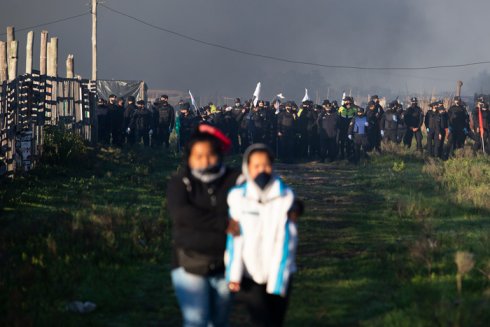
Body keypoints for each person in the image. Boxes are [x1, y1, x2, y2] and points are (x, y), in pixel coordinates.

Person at [167, 124, 240, 327]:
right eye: (198, 156)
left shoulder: (235, 179)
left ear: (219, 154)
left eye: (210, 155)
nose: (204, 161)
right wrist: (224, 223)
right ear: (189, 158)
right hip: (189, 262)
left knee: (219, 322)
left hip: (227, 264)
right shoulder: (180, 183)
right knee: (196, 320)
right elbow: (182, 214)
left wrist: (293, 206)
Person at [225, 143, 303, 327]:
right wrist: (233, 274)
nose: (262, 170)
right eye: (256, 166)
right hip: (250, 275)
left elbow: (287, 241)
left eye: (266, 165)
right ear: (247, 168)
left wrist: (277, 281)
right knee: (261, 321)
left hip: (279, 271)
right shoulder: (237, 197)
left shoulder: (285, 196)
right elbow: (234, 238)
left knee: (276, 321)